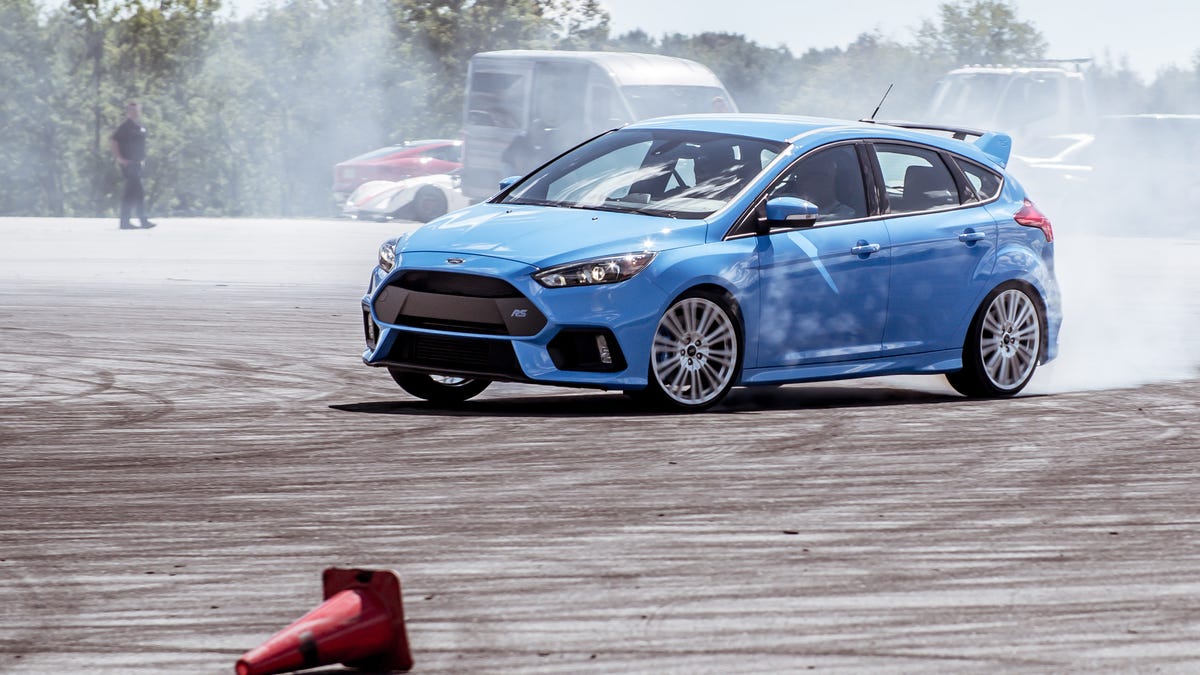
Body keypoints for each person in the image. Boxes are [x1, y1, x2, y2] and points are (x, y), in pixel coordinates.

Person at [110, 101, 156, 229]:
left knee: (133, 192)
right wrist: (119, 158)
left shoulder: (139, 127)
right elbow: (114, 141)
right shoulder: (125, 127)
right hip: (129, 164)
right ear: (128, 112)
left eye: (136, 110)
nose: (134, 112)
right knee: (137, 192)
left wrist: (142, 160)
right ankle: (140, 220)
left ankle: (127, 221)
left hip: (137, 163)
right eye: (132, 110)